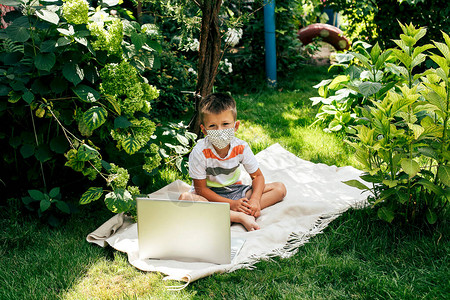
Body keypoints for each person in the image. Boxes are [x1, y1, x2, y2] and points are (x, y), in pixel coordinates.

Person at [179, 93, 286, 231]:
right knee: (185, 198)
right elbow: (201, 190)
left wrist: (254, 200)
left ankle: (229, 214)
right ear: (204, 130)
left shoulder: (241, 147)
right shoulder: (200, 152)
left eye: (225, 124)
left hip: (235, 190)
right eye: (212, 126)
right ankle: (239, 216)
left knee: (279, 188)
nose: (220, 130)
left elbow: (257, 177)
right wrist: (232, 204)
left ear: (235, 126)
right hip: (209, 195)